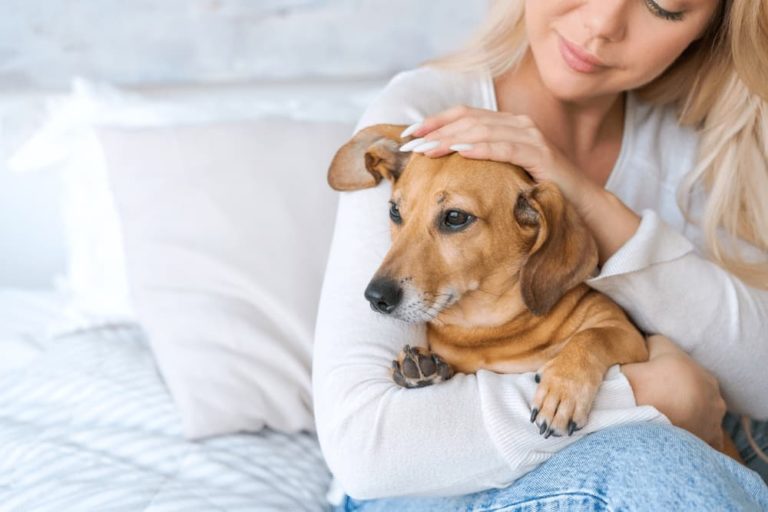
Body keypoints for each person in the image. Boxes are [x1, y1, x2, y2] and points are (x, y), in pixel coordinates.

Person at [313, 0, 768, 509]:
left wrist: (585, 200)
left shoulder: (704, 140)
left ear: (713, 23)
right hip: (426, 483)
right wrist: (650, 396)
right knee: (656, 460)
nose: (600, 25)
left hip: (636, 437)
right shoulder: (424, 121)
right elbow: (365, 450)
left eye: (663, 6)